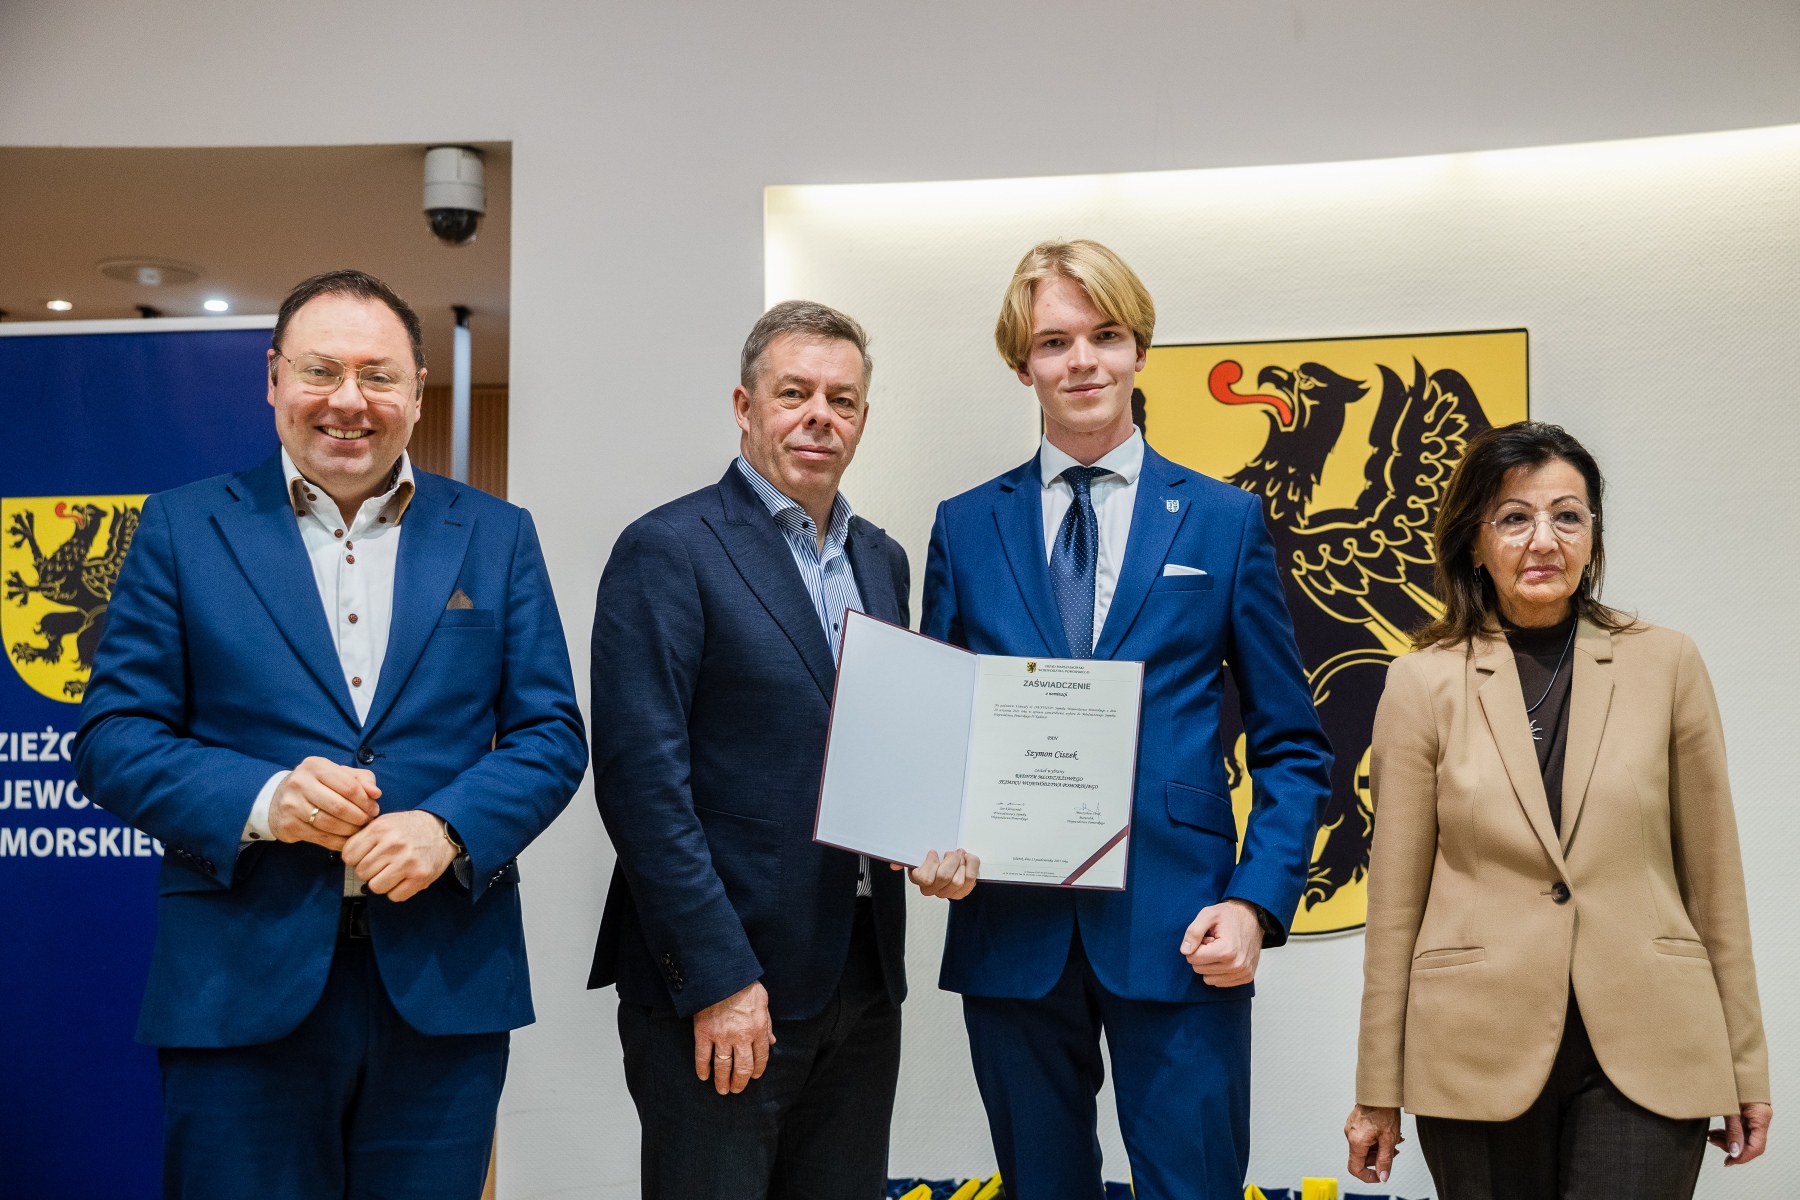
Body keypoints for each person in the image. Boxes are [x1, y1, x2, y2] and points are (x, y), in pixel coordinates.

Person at [74, 270, 589, 1200]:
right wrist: (266, 801)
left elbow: (550, 732)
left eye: (377, 376)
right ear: (274, 378)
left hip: (444, 987)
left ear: (416, 393)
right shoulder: (184, 527)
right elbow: (114, 736)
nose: (349, 400)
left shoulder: (496, 535)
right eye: (321, 371)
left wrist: (450, 828)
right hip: (237, 984)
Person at [920, 240, 1332, 1200]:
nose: (1083, 362)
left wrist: (1256, 903)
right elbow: (938, 730)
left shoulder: (1224, 520)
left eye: (1105, 336)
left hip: (1183, 927)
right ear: (1022, 364)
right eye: (1053, 342)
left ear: (1140, 349)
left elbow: (1291, 743)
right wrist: (925, 840)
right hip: (1011, 930)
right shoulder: (965, 526)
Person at [588, 300, 976, 1200]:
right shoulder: (669, 548)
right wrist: (720, 979)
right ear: (745, 405)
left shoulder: (881, 560)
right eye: (794, 393)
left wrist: (940, 835)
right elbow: (643, 786)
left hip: (862, 980)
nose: (819, 417)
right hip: (731, 987)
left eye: (842, 399)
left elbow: (886, 747)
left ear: (863, 418)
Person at [1345, 421, 1771, 1199]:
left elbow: (1715, 879)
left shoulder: (1668, 662)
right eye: (1515, 517)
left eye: (1567, 516)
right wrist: (1378, 1087)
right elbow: (1395, 903)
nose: (1544, 539)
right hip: (1474, 1049)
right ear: (1476, 541)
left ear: (1592, 536)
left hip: (1651, 1041)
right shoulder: (1421, 681)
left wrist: (1746, 1068)